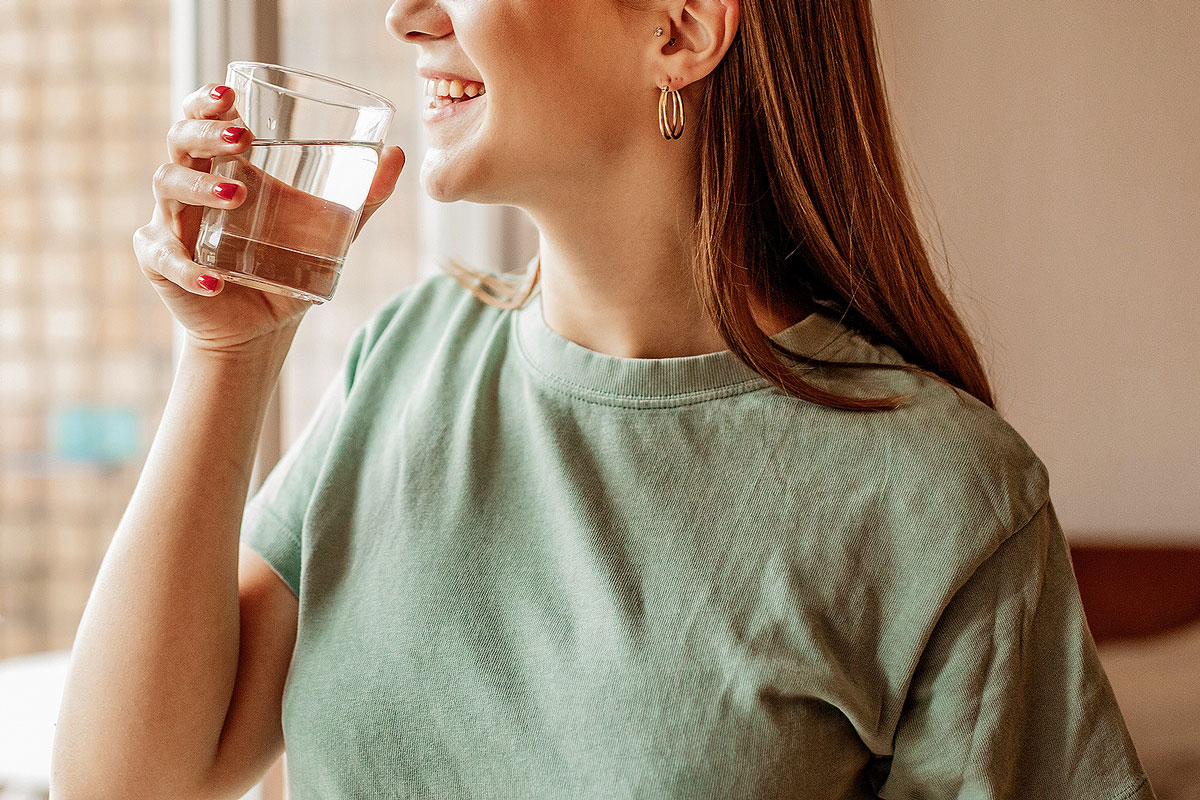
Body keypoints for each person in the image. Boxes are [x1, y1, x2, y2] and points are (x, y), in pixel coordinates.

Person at [52, 0, 1157, 798]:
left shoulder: (941, 493)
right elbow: (129, 780)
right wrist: (228, 351)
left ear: (679, 28)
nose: (406, 15)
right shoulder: (402, 364)